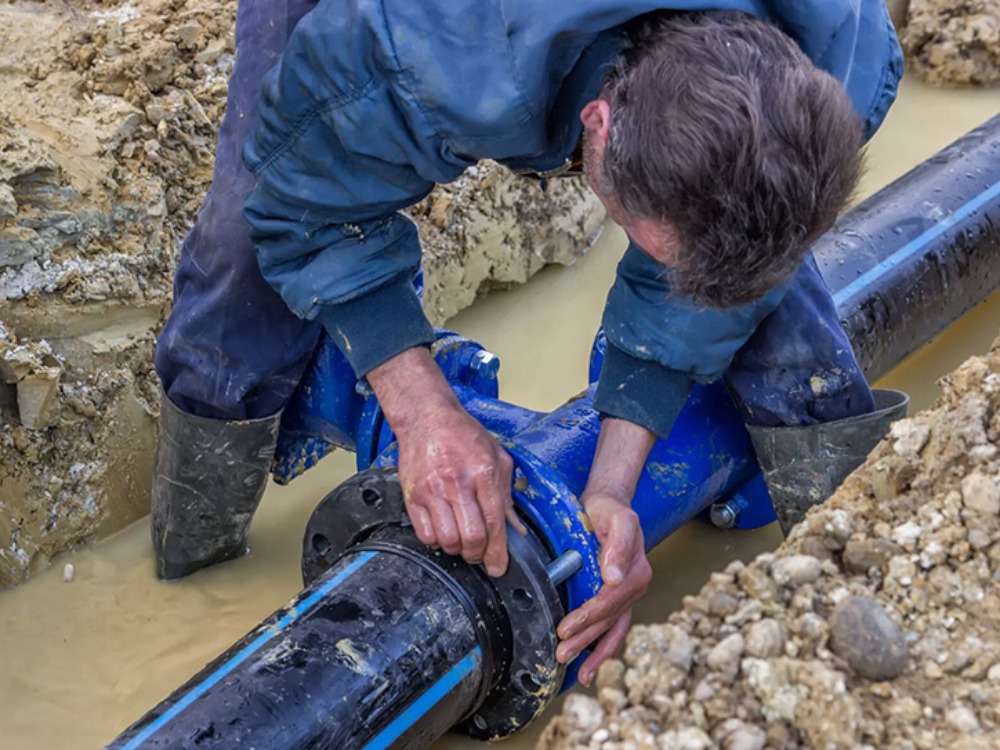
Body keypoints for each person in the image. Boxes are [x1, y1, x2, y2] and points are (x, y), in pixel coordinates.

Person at [151, 0, 903, 686]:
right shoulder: (435, 51)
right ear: (597, 125)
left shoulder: (842, 53)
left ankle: (852, 576)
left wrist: (610, 489)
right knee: (243, 247)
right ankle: (193, 550)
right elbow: (302, 202)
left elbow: (717, 280)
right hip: (450, 35)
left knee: (755, 279)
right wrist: (423, 416)